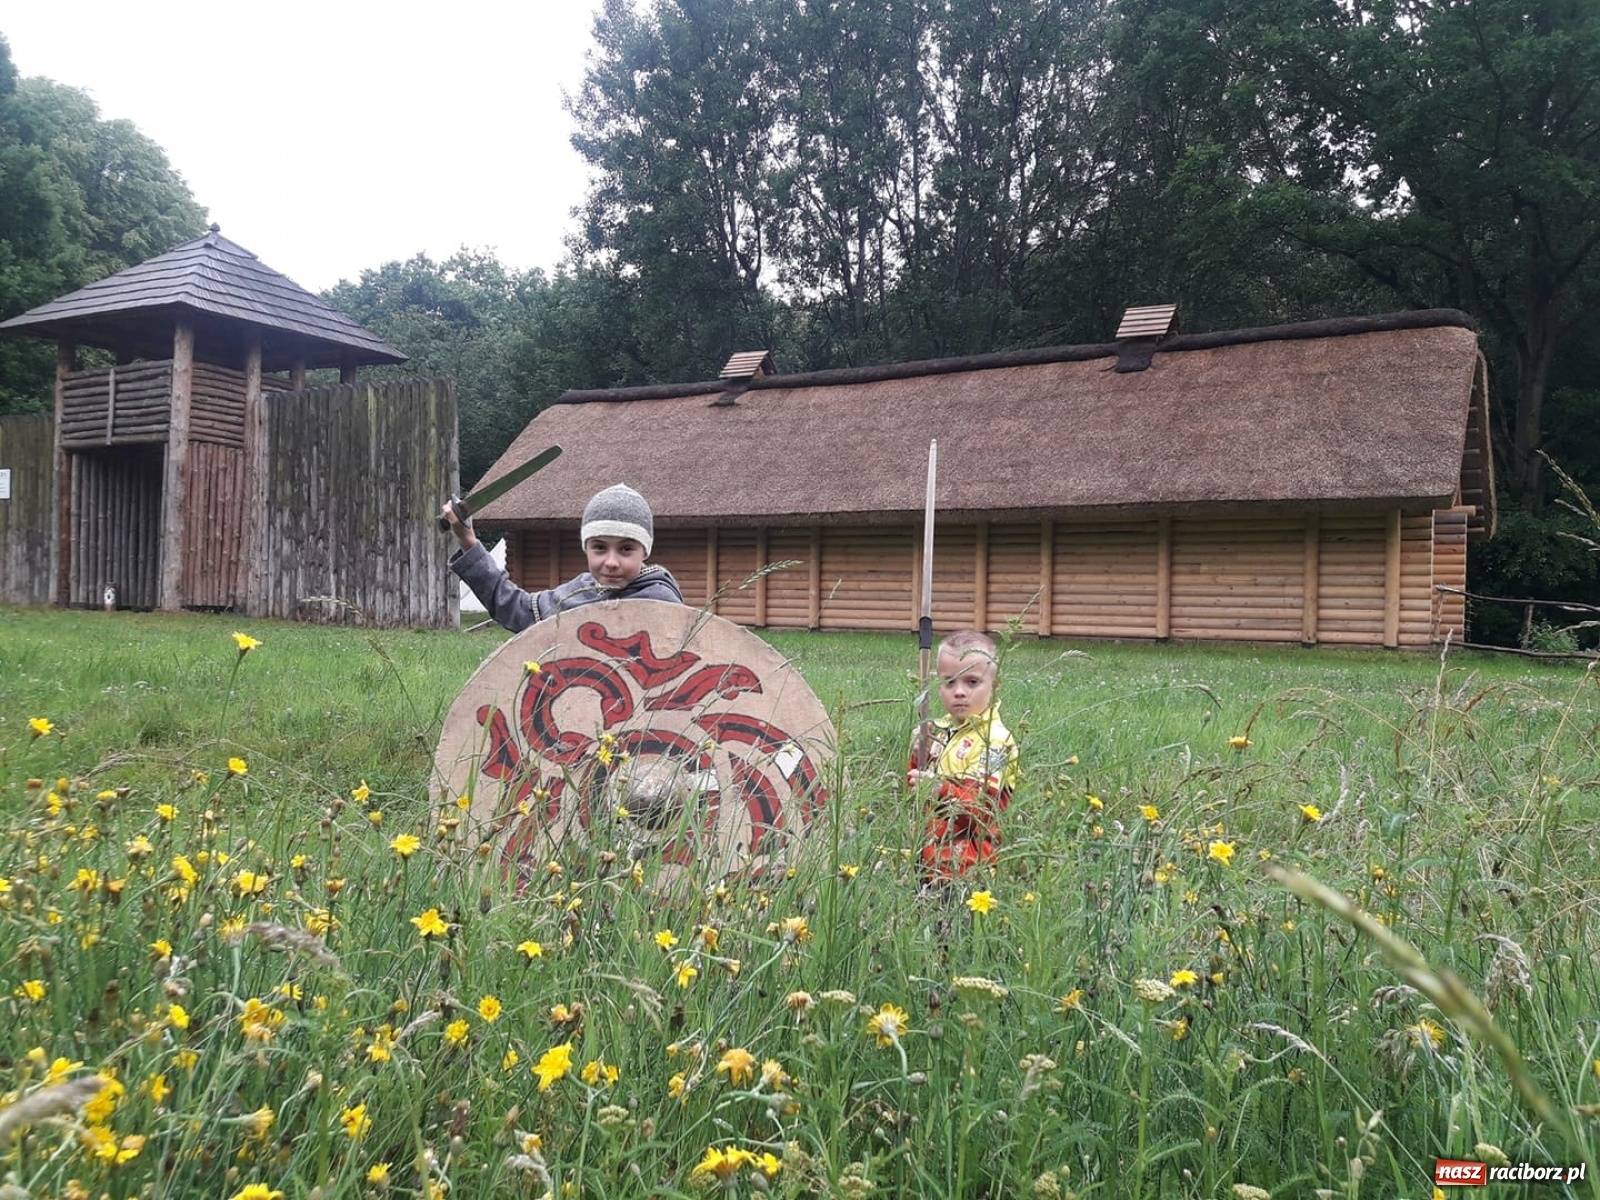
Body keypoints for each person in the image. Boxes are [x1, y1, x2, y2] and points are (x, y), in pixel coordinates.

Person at [443, 483, 684, 632]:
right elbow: (518, 609)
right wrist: (467, 541)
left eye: (626, 549)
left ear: (645, 550)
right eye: (600, 548)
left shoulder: (661, 600)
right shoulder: (577, 593)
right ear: (586, 548)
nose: (611, 562)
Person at [907, 629, 1019, 879]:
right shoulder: (939, 731)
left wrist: (940, 790)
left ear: (995, 687)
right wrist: (918, 758)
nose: (959, 691)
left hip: (967, 871)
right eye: (949, 682)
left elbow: (983, 812)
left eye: (972, 682)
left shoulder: (995, 741)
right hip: (928, 862)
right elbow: (913, 800)